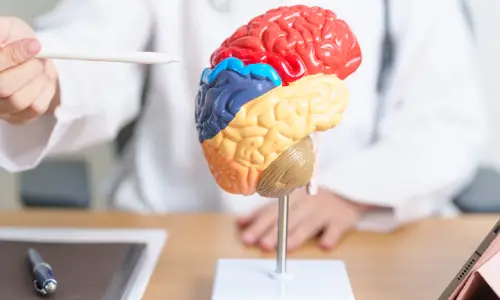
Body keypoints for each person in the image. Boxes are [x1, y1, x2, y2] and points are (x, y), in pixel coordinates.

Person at [0, 0, 486, 252]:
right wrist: (45, 73)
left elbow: (448, 118)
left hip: (349, 239)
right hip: (178, 223)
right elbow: (97, 45)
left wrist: (354, 192)